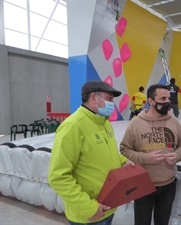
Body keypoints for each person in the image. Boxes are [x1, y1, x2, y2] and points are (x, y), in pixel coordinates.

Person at [48, 80, 134, 225]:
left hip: (108, 206)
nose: (112, 104)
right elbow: (58, 177)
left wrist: (123, 161)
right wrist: (89, 208)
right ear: (94, 98)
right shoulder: (73, 126)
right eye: (109, 99)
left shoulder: (104, 124)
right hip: (89, 215)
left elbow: (106, 154)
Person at [120, 84, 181, 225]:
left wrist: (176, 155)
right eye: (163, 98)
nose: (167, 102)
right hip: (143, 184)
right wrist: (145, 158)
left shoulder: (174, 122)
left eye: (168, 98)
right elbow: (124, 149)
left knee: (163, 222)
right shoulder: (136, 123)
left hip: (168, 184)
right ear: (151, 101)